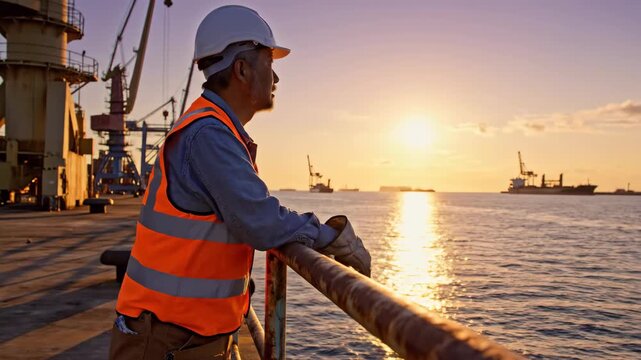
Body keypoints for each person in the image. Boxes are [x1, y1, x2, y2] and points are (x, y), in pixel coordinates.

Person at [109, 5, 371, 359]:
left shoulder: (214, 129)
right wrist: (331, 236)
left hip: (185, 334)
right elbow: (260, 220)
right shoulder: (209, 135)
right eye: (270, 64)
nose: (276, 79)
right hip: (167, 340)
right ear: (242, 69)